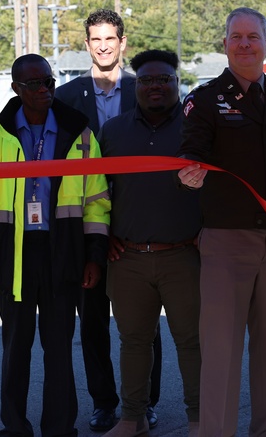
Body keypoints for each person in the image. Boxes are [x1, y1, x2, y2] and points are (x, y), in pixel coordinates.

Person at [177, 7, 266, 437]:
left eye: (252, 37)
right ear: (224, 44)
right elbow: (191, 154)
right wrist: (188, 175)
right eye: (235, 37)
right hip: (225, 240)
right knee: (221, 351)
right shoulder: (203, 100)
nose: (244, 44)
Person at [0, 54, 111, 437]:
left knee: (59, 348)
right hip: (12, 255)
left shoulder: (78, 134)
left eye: (48, 81)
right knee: (16, 349)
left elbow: (97, 200)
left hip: (63, 253)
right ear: (16, 88)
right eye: (34, 84)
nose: (44, 89)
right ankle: (15, 427)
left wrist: (95, 255)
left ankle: (60, 428)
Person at [55, 8, 160, 432]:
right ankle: (104, 403)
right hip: (86, 231)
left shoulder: (148, 88)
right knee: (94, 323)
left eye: (110, 39)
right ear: (87, 45)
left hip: (139, 227)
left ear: (123, 43)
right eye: (95, 39)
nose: (102, 46)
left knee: (143, 324)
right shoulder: (65, 97)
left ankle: (145, 403)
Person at [99, 49, 201, 437]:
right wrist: (102, 239)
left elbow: (217, 189)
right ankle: (132, 418)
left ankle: (199, 419)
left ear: (177, 84)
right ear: (134, 85)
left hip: (185, 256)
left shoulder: (197, 129)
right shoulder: (114, 132)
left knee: (192, 342)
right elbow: (99, 193)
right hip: (128, 258)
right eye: (146, 80)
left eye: (164, 79)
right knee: (133, 342)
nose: (155, 86)